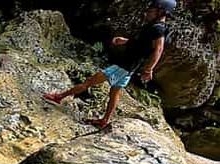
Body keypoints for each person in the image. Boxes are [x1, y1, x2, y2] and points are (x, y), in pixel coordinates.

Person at [43, 0, 175, 129]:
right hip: (128, 68)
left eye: (151, 11)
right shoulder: (155, 27)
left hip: (123, 66)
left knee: (89, 82)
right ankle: (104, 120)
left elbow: (158, 50)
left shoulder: (158, 29)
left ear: (161, 12)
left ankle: (59, 97)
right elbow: (141, 44)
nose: (147, 13)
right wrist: (125, 41)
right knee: (115, 92)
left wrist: (149, 69)